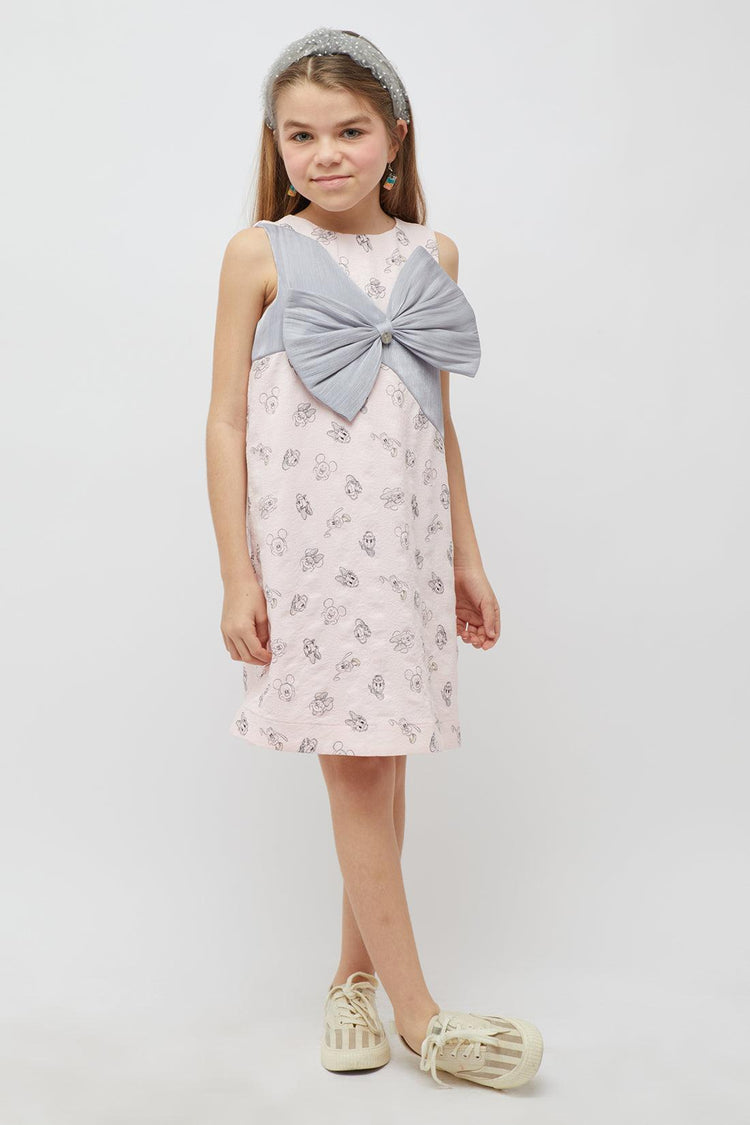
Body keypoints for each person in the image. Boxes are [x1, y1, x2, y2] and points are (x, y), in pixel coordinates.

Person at [205, 26, 543, 1091]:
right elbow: (224, 421)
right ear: (276, 144)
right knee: (354, 762)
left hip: (406, 547)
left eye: (349, 131)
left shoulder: (431, 255)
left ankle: (351, 979)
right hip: (309, 555)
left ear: (395, 137)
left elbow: (435, 421)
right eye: (301, 135)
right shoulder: (259, 253)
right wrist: (237, 572)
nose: (326, 155)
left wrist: (467, 558)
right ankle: (420, 1014)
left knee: (384, 757)